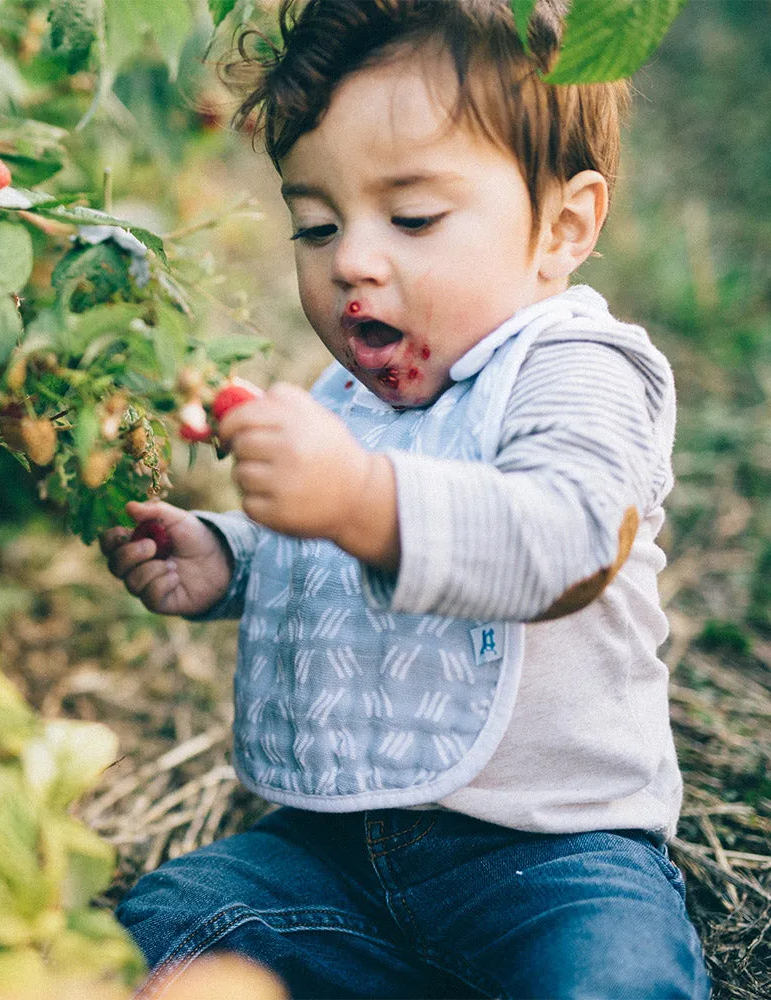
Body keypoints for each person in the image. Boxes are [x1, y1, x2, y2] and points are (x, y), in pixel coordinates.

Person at [101, 1, 710, 996]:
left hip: (552, 857)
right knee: (165, 927)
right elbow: (325, 549)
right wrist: (229, 553)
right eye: (315, 223)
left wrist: (352, 498)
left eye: (414, 217)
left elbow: (563, 540)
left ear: (562, 226)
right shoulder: (353, 395)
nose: (350, 259)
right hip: (331, 851)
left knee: (607, 978)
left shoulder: (576, 370)